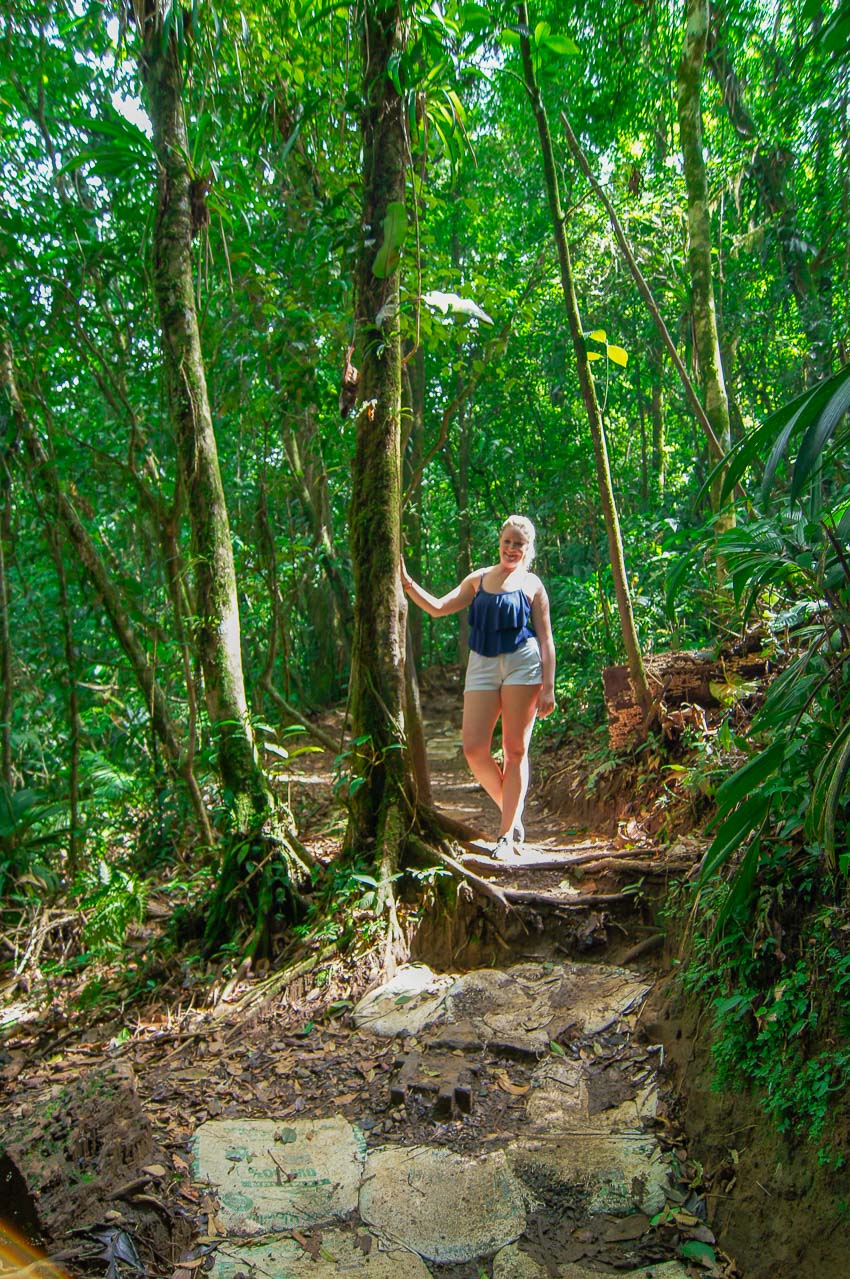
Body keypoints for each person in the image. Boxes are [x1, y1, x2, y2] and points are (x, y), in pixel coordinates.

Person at [400, 515, 556, 860]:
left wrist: (549, 687)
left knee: (515, 750)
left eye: (519, 543)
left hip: (522, 664)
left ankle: (506, 837)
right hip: (482, 665)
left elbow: (546, 640)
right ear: (499, 542)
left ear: (528, 549)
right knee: (473, 748)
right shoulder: (479, 579)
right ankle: (512, 813)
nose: (512, 548)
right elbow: (439, 608)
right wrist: (408, 584)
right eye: (508, 541)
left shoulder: (533, 585)